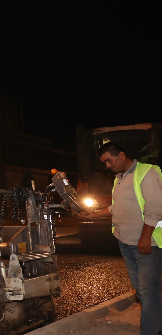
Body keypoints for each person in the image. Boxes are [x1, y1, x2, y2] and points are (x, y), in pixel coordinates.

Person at [79, 142, 162, 335]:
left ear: (122, 155)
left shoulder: (146, 173)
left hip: (145, 245)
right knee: (142, 291)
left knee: (148, 293)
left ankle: (150, 331)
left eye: (109, 160)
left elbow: (155, 208)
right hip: (126, 243)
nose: (107, 166)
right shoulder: (120, 178)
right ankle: (157, 325)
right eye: (104, 162)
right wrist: (94, 214)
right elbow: (117, 207)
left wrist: (145, 238)